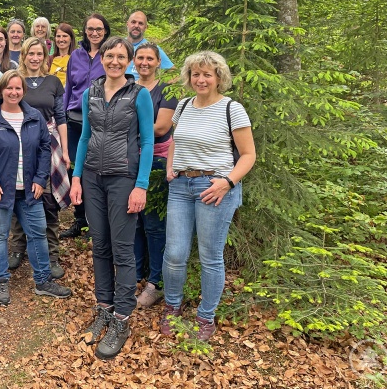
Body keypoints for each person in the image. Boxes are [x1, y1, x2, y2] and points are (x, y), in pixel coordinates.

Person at [161, 51, 255, 341]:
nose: (201, 79)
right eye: (196, 74)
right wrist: (169, 167)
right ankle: (172, 307)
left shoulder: (232, 109)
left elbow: (249, 155)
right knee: (174, 254)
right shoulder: (184, 105)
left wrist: (227, 182)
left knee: (209, 257)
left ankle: (205, 316)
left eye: (207, 74)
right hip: (180, 187)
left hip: (214, 189)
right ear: (189, 78)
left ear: (218, 78)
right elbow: (176, 139)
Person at [70, 36, 154, 360]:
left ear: (129, 61)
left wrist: (141, 185)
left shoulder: (139, 95)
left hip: (123, 179)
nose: (115, 61)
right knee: (100, 245)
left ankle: (121, 318)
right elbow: (85, 138)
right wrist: (76, 177)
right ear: (102, 58)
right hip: (92, 177)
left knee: (122, 249)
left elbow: (147, 142)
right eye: (110, 55)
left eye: (121, 56)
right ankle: (103, 308)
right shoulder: (91, 91)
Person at [0, 70, 72, 305]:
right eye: (9, 88)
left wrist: (39, 179)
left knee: (38, 233)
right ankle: (1, 281)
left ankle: (43, 280)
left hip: (29, 189)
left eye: (18, 88)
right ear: (1, 90)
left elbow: (44, 149)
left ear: (23, 91)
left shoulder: (34, 116)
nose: (14, 92)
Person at [7, 38, 69, 279]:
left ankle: (52, 253)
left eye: (39, 54)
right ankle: (18, 246)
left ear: (45, 56)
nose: (35, 58)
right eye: (30, 53)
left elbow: (61, 116)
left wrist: (64, 149)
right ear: (23, 55)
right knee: (19, 192)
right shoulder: (15, 80)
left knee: (48, 198)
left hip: (50, 142)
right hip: (21, 140)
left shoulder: (53, 81)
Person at [132, 43, 178, 308]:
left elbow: (161, 127)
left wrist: (127, 127)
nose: (145, 62)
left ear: (158, 62)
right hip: (129, 159)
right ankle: (135, 273)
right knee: (134, 219)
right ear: (134, 61)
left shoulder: (166, 91)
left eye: (150, 58)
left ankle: (156, 282)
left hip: (158, 161)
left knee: (153, 224)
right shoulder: (130, 87)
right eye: (140, 58)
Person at [60, 13, 110, 239]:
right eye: (91, 29)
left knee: (96, 167)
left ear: (106, 31)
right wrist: (63, 114)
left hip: (100, 120)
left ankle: (96, 220)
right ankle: (79, 219)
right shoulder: (76, 56)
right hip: (74, 119)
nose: (95, 33)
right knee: (74, 168)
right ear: (85, 31)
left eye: (99, 29)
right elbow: (69, 87)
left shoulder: (109, 55)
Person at [124, 11, 175, 79]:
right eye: (133, 22)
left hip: (140, 88)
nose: (136, 26)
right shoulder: (118, 46)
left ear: (146, 27)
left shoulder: (151, 49)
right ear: (127, 24)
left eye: (140, 23)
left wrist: (158, 87)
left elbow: (174, 74)